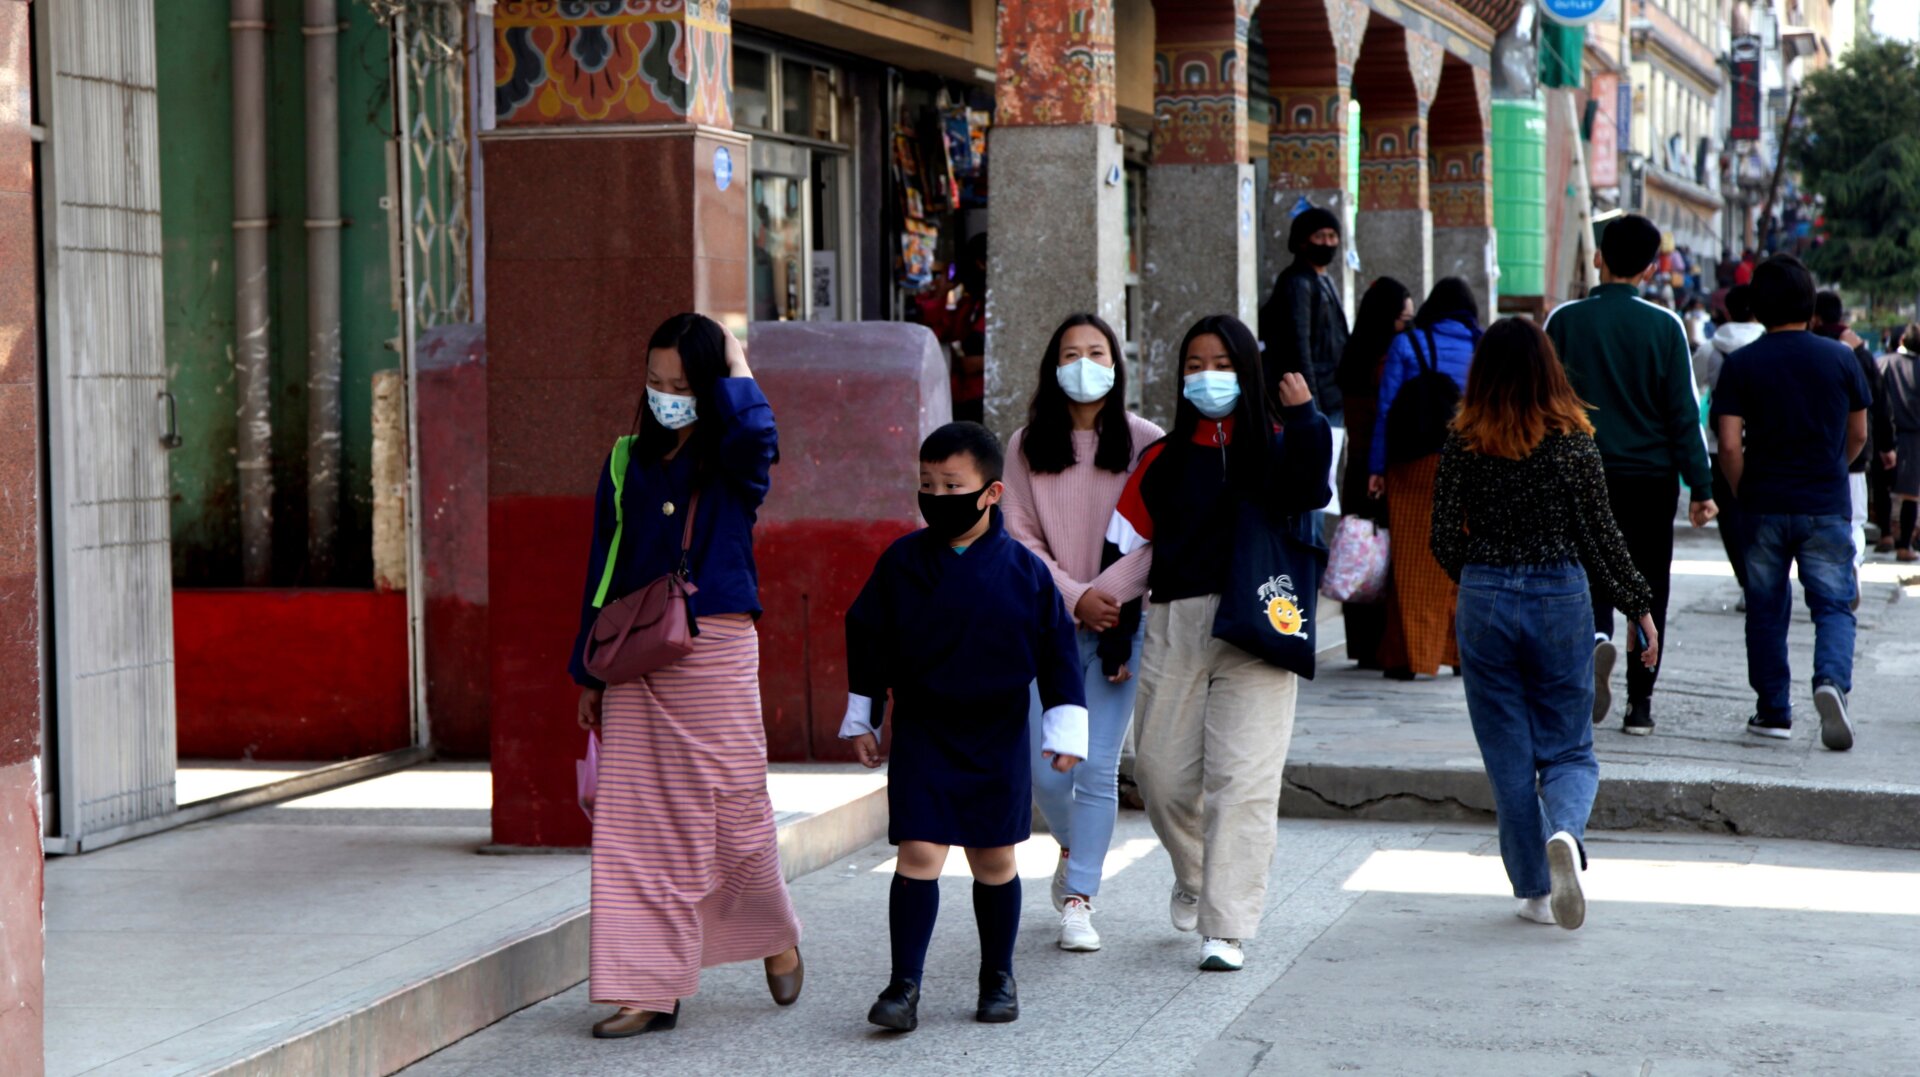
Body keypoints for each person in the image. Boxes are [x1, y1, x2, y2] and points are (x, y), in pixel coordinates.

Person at [569, 313, 801, 1039]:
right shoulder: (623, 459)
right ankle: (646, 988)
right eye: (656, 382)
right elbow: (602, 568)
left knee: (735, 808)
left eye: (683, 384)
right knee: (635, 824)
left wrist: (733, 362)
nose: (667, 396)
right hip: (638, 655)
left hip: (717, 644)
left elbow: (761, 437)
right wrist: (590, 670)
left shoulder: (733, 453)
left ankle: (774, 929)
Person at [841, 422, 1088, 1032]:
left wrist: (1063, 729)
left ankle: (997, 976)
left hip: (997, 732)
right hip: (923, 728)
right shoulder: (901, 562)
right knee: (919, 849)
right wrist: (864, 715)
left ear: (992, 493)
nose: (937, 495)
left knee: (994, 858)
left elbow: (1057, 650)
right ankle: (904, 986)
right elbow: (866, 634)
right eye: (927, 484)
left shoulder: (1026, 574)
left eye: (953, 484)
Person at [1110, 314, 1332, 973]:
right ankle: (1198, 874)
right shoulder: (1161, 456)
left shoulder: (1277, 440)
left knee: (1244, 781)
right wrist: (1117, 630)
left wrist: (1307, 417)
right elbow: (1124, 546)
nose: (1208, 377)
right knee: (1158, 772)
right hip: (1177, 623)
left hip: (1262, 623)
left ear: (1250, 368)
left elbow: (1310, 488)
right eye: (1195, 365)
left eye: (1224, 364)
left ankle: (1226, 926)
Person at [1432, 318, 1658, 931]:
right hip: (1560, 594)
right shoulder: (1574, 441)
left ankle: (1533, 887)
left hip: (1485, 594)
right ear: (1549, 368)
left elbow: (1441, 536)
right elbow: (1601, 535)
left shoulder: (1464, 438)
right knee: (1570, 747)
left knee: (1507, 753)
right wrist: (1637, 606)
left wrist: (1479, 573)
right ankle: (1565, 832)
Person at [1000, 313, 1164, 952]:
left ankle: (1080, 897)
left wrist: (1111, 598)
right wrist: (1076, 597)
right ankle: (1073, 847)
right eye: (1070, 352)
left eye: (1096, 352)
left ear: (1116, 365)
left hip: (1123, 631)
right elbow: (1019, 539)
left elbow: (1160, 538)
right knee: (1046, 769)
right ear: (1051, 366)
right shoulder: (1023, 447)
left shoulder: (1147, 441)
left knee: (1096, 768)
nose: (1084, 364)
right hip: (1049, 630)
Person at [1544, 213, 1716, 738]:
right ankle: (1640, 706)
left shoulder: (1564, 321)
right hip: (1650, 477)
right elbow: (1683, 413)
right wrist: (1701, 488)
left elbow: (1542, 402)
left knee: (1585, 570)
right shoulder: (1665, 326)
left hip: (1578, 472)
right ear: (1649, 268)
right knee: (1648, 582)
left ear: (1598, 258)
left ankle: (1597, 637)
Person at [1712, 255, 1871, 751]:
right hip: (1824, 499)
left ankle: (1773, 711)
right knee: (1834, 605)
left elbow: (1730, 444)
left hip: (1762, 501)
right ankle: (1830, 682)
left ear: (1757, 308)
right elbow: (1859, 433)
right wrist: (1832, 468)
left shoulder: (1742, 364)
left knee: (1764, 608)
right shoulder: (1840, 358)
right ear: (1810, 305)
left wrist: (1742, 490)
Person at [1368, 277, 1482, 679]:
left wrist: (1376, 468)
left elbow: (1385, 411)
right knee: (1460, 562)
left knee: (1413, 562)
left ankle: (1409, 656)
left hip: (1411, 464)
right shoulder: (1482, 347)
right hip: (1468, 464)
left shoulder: (1406, 344)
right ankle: (1457, 654)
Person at [1333, 277, 1413, 669]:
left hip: (1357, 468)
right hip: (1380, 468)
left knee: (1360, 551)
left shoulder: (1353, 352)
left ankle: (1362, 646)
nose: (1406, 327)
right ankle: (1382, 644)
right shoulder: (1389, 359)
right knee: (1383, 554)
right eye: (1403, 318)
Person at [1811, 290, 1894, 570]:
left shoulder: (1810, 348)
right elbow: (1881, 404)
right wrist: (1887, 446)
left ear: (1815, 317)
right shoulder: (1860, 352)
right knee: (1854, 519)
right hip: (1854, 452)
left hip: (1814, 449)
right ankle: (1853, 565)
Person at [1694, 284, 1764, 595]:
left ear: (1726, 312)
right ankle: (1763, 580)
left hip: (1717, 443)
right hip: (1764, 444)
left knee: (1731, 518)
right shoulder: (1770, 343)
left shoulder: (1710, 348)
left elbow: (1693, 388)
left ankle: (1746, 581)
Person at [1258, 205, 1348, 419]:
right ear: (1302, 241)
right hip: (1316, 396)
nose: (1327, 243)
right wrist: (1311, 403)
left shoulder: (1323, 279)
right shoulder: (1298, 283)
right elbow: (1299, 348)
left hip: (1332, 391)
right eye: (1319, 236)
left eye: (1332, 236)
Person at [1876, 324, 1920, 561]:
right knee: (1911, 494)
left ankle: (1885, 534)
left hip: (1884, 434)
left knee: (1883, 487)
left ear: (1902, 339)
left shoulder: (1883, 362)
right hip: (1914, 438)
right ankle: (1905, 545)